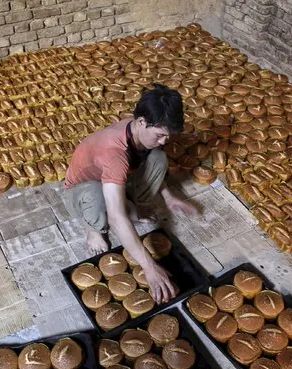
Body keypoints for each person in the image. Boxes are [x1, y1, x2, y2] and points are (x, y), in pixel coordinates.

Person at [64, 83, 198, 304]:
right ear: (142, 122)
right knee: (105, 205)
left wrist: (169, 196)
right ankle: (93, 227)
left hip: (113, 179)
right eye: (160, 135)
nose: (165, 141)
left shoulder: (137, 130)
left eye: (167, 135)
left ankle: (133, 203)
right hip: (83, 190)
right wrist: (149, 267)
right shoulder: (114, 154)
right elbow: (117, 218)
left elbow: (147, 161)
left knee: (158, 158)